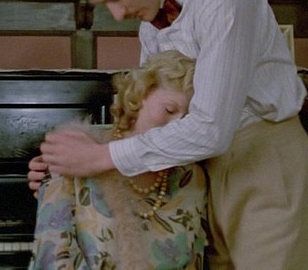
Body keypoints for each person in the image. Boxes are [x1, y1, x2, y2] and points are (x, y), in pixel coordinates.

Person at [27, 0, 308, 268]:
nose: (117, 14)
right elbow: (148, 120)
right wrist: (65, 164)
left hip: (263, 165)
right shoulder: (151, 26)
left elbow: (210, 128)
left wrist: (99, 157)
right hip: (200, 174)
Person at [29, 50, 206, 269]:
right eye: (170, 109)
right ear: (141, 94)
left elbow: (196, 260)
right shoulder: (72, 156)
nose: (178, 125)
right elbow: (50, 258)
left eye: (188, 119)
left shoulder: (191, 177)